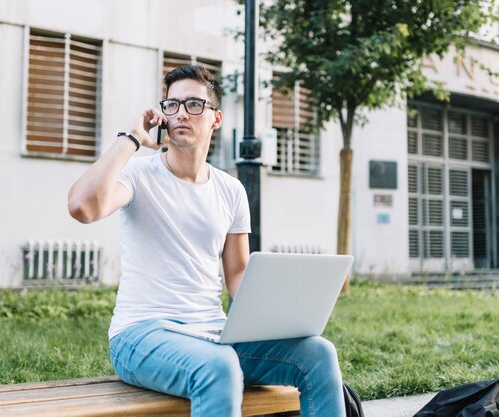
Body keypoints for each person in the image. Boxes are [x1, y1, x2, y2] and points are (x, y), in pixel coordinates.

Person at [67, 65, 346, 417]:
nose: (181, 112)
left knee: (318, 354)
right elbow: (82, 207)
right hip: (141, 335)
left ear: (216, 119)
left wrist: (286, 308)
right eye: (172, 105)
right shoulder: (137, 176)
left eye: (194, 104)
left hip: (215, 335)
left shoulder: (230, 190)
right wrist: (131, 138)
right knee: (220, 366)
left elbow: (239, 274)